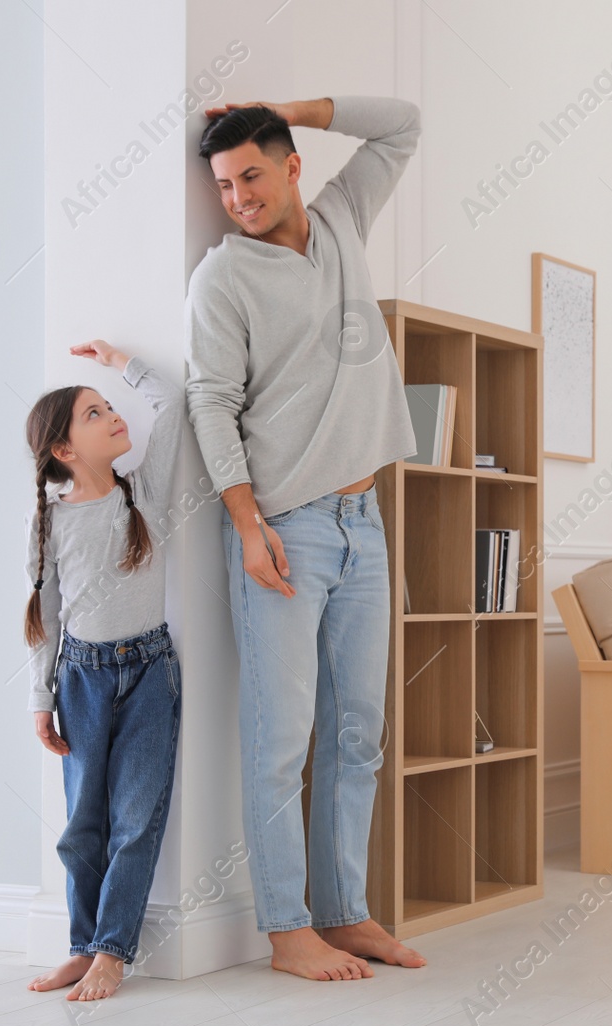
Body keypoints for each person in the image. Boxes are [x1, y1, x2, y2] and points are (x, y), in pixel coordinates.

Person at [185, 96, 426, 981]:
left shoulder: (340, 219)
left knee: (359, 730)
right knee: (283, 736)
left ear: (291, 165)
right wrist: (247, 524)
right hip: (285, 530)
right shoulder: (223, 279)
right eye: (222, 184)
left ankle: (346, 912)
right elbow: (209, 401)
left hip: (367, 521)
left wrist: (287, 108)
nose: (238, 196)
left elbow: (401, 122)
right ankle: (288, 928)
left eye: (251, 173)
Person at [22, 339, 184, 1001]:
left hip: (150, 672)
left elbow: (172, 402)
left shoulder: (143, 495)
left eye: (110, 406)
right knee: (82, 824)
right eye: (94, 413)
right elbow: (45, 618)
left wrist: (121, 363)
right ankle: (82, 945)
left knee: (137, 817)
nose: (114, 414)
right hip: (82, 679)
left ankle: (113, 951)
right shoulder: (49, 523)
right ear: (63, 448)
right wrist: (42, 697)